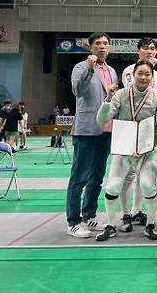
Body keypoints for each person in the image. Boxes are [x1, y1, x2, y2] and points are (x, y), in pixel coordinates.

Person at [95, 60, 157, 241]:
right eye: (140, 73)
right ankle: (110, 225)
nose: (143, 77)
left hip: (147, 151)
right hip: (123, 148)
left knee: (147, 185)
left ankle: (150, 225)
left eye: (147, 74)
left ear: (152, 77)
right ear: (133, 75)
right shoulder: (121, 95)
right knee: (113, 186)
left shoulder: (156, 97)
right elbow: (102, 120)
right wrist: (108, 99)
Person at [66, 32, 118, 238]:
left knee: (97, 177)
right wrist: (89, 66)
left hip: (106, 129)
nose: (102, 46)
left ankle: (89, 215)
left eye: (105, 43)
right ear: (91, 47)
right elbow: (78, 90)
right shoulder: (81, 67)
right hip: (86, 129)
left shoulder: (112, 71)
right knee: (79, 177)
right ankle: (73, 221)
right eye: (98, 43)